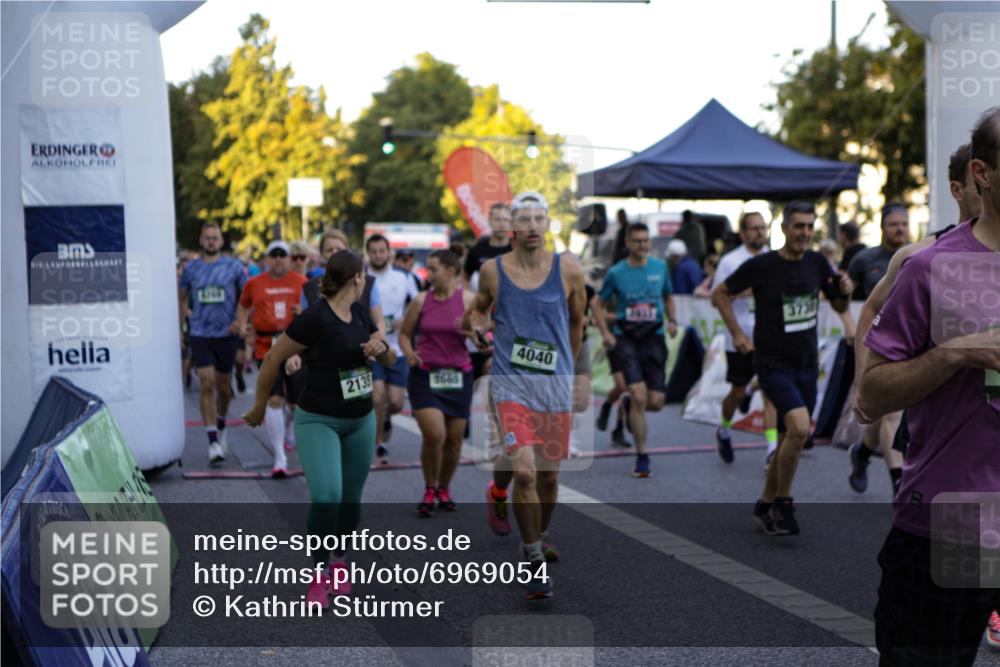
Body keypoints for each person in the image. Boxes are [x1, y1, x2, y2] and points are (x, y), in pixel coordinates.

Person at [857, 107, 1000, 667]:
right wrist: (955, 352)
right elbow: (871, 396)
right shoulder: (930, 268)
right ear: (982, 174)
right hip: (952, 522)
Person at [243, 251, 394, 609]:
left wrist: (381, 346)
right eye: (363, 277)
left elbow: (389, 357)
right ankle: (319, 571)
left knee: (350, 501)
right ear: (357, 278)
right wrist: (260, 405)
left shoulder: (360, 314)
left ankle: (339, 561)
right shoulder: (314, 318)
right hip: (319, 420)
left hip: (360, 420)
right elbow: (273, 358)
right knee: (327, 497)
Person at [463, 191, 586, 600]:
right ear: (513, 226)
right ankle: (533, 558)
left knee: (549, 476)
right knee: (527, 473)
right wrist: (478, 326)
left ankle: (539, 531)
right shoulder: (492, 270)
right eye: (525, 219)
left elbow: (578, 321)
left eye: (539, 218)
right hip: (510, 383)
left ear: (547, 223)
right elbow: (478, 309)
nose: (532, 226)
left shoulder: (569, 269)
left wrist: (570, 370)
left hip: (554, 386)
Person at [713, 200, 853, 536]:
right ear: (784, 228)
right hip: (772, 364)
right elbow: (720, 294)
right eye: (798, 226)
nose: (805, 232)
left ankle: (765, 504)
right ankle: (783, 502)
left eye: (810, 226)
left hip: (807, 364)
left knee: (793, 436)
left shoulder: (817, 262)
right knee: (800, 428)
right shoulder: (762, 265)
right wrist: (737, 333)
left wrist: (845, 293)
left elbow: (838, 303)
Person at [595, 222, 677, 477]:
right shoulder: (616, 272)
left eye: (646, 241)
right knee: (640, 396)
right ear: (628, 243)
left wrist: (672, 320)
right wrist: (606, 333)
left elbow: (668, 296)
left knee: (656, 402)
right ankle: (642, 457)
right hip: (626, 337)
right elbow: (597, 303)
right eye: (638, 241)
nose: (643, 245)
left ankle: (628, 403)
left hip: (654, 336)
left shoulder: (660, 267)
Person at [399, 249, 476, 516]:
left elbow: (483, 336)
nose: (428, 274)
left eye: (433, 269)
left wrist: (475, 334)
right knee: (435, 435)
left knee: (454, 441)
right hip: (426, 374)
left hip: (459, 376)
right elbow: (405, 334)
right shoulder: (421, 300)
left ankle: (444, 488)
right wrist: (409, 353)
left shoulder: (469, 300)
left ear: (451, 271)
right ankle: (429, 488)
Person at [844, 203, 910, 494]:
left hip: (909, 340)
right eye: (894, 224)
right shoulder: (864, 259)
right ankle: (899, 483)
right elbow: (842, 298)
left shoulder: (917, 255)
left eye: (903, 224)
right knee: (891, 412)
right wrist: (847, 322)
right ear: (882, 227)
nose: (900, 229)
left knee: (885, 412)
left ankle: (862, 453)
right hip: (876, 343)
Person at [710, 212, 778, 465]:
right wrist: (740, 293)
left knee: (770, 392)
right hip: (739, 339)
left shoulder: (774, 259)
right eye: (754, 228)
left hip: (767, 338)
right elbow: (715, 298)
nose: (760, 232)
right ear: (743, 233)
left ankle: (771, 449)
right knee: (737, 393)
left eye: (763, 227)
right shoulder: (730, 261)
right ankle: (724, 429)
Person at [178, 222, 248, 465]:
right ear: (201, 241)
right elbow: (181, 297)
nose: (211, 241)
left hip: (227, 333)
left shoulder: (234, 267)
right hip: (200, 332)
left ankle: (221, 422)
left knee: (223, 387)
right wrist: (181, 326)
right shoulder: (191, 268)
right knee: (206, 382)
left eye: (215, 237)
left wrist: (240, 321)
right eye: (207, 237)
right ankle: (212, 441)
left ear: (221, 241)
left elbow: (246, 297)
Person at [236, 240, 308, 476]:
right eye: (274, 255)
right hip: (265, 347)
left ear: (288, 258)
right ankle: (279, 457)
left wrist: (304, 312)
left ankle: (288, 428)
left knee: (296, 404)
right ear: (267, 258)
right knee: (274, 399)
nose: (278, 259)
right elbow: (243, 305)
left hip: (295, 345)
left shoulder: (302, 282)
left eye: (282, 255)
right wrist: (243, 325)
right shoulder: (254, 283)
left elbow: (316, 309)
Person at [366, 234, 419, 463]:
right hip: (372, 346)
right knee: (377, 396)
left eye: (382, 251)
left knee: (396, 402)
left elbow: (419, 304)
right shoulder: (362, 277)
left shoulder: (404, 277)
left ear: (389, 253)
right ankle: (379, 443)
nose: (378, 255)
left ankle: (386, 417)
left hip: (396, 347)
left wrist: (406, 319)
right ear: (368, 254)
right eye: (374, 251)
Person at [462, 203, 513, 292]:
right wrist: (470, 296)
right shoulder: (477, 250)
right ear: (489, 221)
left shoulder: (518, 249)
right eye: (497, 219)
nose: (502, 224)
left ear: (511, 223)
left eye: (506, 220)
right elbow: (465, 278)